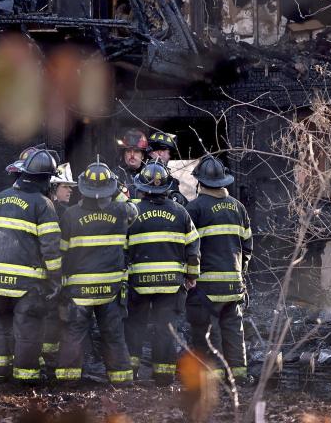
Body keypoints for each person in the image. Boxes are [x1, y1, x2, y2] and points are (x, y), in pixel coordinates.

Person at [0, 149, 62, 384]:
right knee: (28, 332)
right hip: (28, 285)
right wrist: (55, 279)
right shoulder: (44, 205)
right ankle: (25, 381)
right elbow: (51, 249)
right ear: (45, 178)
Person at [55, 161, 136, 386]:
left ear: (83, 187)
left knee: (73, 335)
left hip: (79, 291)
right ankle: (121, 380)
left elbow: (62, 252)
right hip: (111, 290)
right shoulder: (121, 212)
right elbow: (134, 210)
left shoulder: (70, 215)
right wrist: (118, 191)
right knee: (113, 335)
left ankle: (68, 382)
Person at [125, 162, 200, 384]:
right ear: (167, 187)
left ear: (142, 188)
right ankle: (164, 376)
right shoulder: (181, 212)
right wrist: (191, 277)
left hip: (138, 283)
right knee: (166, 329)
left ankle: (131, 372)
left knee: (134, 326)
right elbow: (193, 250)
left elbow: (123, 247)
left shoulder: (132, 211)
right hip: (171, 285)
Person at [184, 156, 253, 384]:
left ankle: (215, 379)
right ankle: (239, 376)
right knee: (234, 330)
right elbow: (247, 247)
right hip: (234, 285)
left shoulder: (194, 209)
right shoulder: (238, 207)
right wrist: (239, 273)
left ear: (200, 182)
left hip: (205, 288)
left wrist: (188, 277)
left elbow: (187, 248)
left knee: (207, 334)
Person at [42, 162, 77, 364]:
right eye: (65, 186)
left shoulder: (62, 211)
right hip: (49, 274)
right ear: (53, 188)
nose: (70, 190)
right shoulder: (59, 212)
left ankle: (49, 355)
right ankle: (47, 355)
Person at [147, 131, 188, 207]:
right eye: (169, 153)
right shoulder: (165, 179)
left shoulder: (140, 177)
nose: (170, 157)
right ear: (160, 153)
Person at [116, 129, 149, 200]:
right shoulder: (115, 176)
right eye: (128, 151)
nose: (132, 155)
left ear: (143, 156)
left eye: (136, 151)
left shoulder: (150, 175)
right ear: (124, 154)